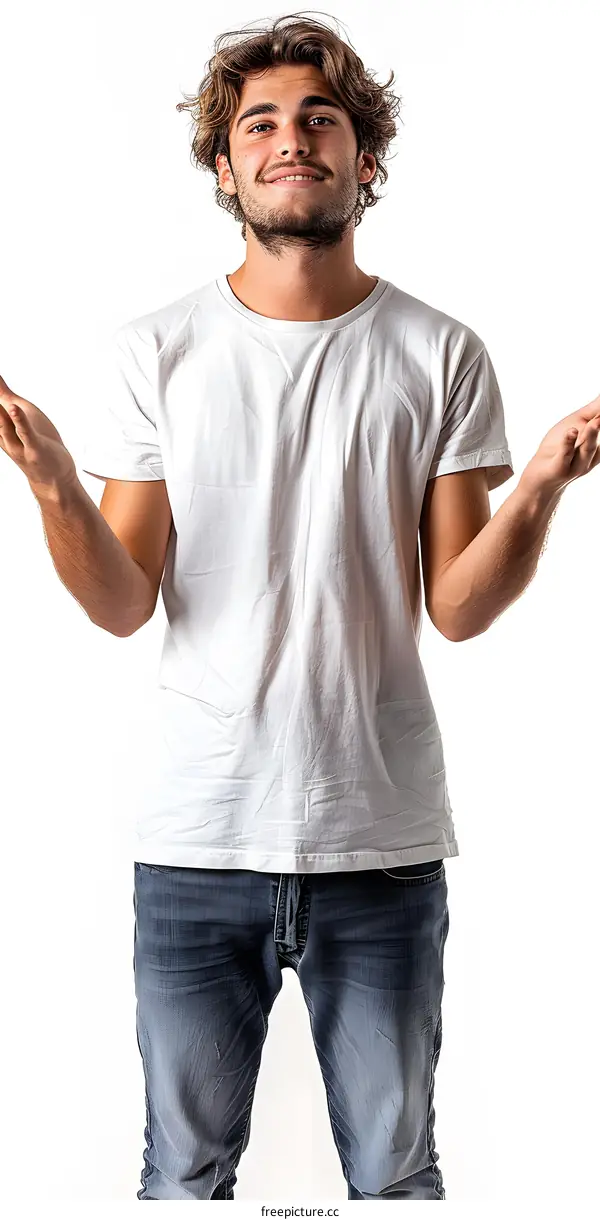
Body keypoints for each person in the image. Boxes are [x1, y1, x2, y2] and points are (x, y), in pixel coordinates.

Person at [1, 11, 598, 1204]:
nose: (291, 139)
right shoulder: (156, 351)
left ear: (363, 157)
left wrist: (536, 488)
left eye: (320, 119)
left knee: (393, 1171)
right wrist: (56, 484)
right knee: (182, 1174)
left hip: (379, 835)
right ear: (224, 168)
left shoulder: (440, 352)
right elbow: (123, 601)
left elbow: (461, 605)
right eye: (259, 123)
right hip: (197, 837)